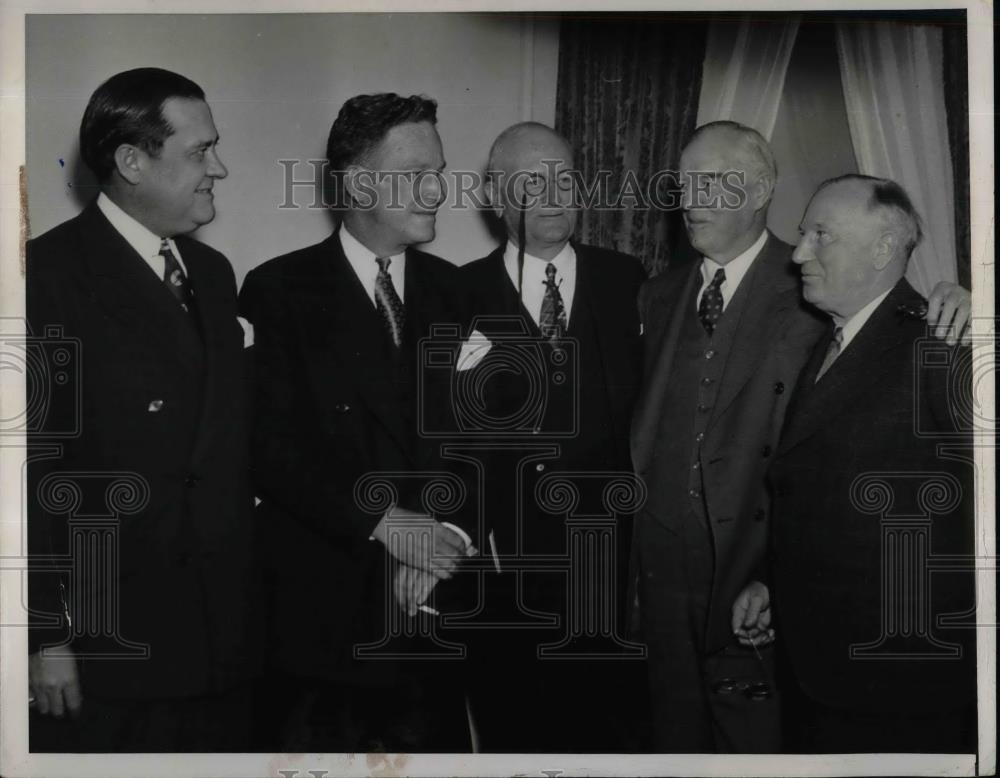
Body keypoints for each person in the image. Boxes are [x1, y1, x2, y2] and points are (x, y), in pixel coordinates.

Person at [631, 120, 972, 752]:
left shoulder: (821, 299)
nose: (689, 197)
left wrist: (964, 301)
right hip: (683, 586)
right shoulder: (656, 294)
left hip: (858, 649)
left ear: (760, 189)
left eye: (712, 180)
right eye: (684, 183)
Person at [26, 67, 257, 751]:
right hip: (115, 647)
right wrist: (44, 637)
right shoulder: (45, 278)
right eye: (198, 152)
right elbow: (29, 473)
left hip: (226, 641)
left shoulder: (213, 276)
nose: (219, 167)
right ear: (131, 161)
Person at [238, 93, 476, 752]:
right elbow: (264, 446)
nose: (438, 190)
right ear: (360, 181)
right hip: (321, 629)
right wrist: (384, 522)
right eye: (418, 173)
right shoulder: (279, 290)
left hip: (432, 617)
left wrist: (445, 538)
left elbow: (483, 442)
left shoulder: (459, 293)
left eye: (441, 170)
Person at [755, 174, 976, 752]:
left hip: (899, 681)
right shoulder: (831, 340)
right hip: (819, 667)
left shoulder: (943, 342)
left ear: (883, 249)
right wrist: (770, 581)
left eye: (820, 235)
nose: (799, 252)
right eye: (804, 234)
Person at [458, 122, 648, 751]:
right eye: (530, 181)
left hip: (615, 571)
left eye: (564, 177)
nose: (553, 193)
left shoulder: (634, 283)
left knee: (614, 741)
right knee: (516, 738)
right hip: (505, 578)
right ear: (493, 198)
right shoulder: (453, 294)